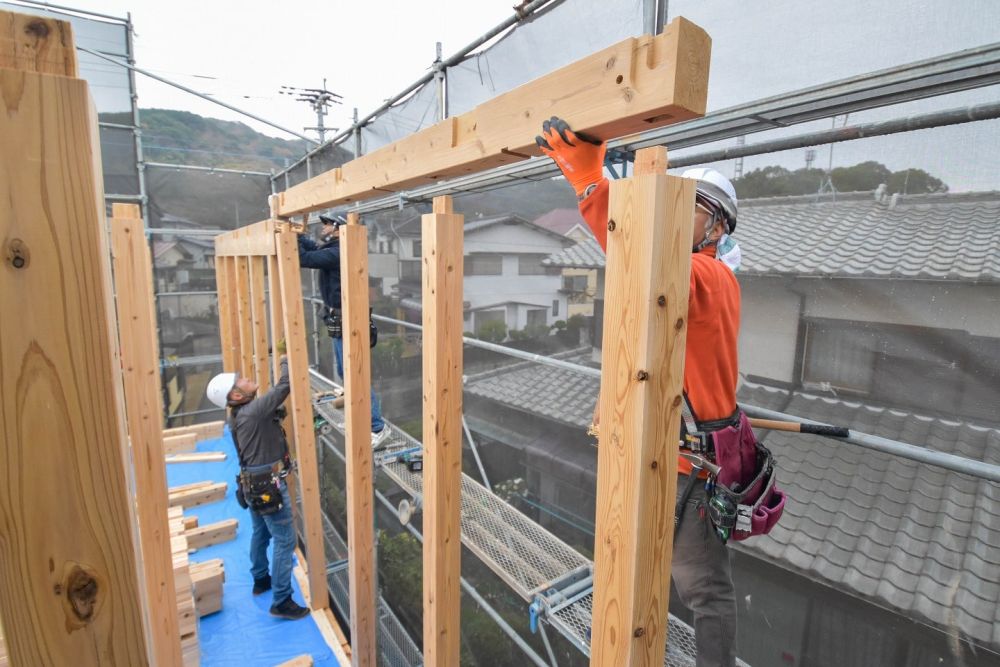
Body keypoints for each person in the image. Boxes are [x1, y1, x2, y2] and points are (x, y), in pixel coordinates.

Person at [537, 117, 742, 666]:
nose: (669, 215)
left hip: (685, 466)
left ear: (716, 228)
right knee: (638, 568)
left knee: (703, 591)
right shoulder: (695, 275)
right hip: (656, 451)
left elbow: (646, 251)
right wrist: (592, 184)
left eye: (687, 206)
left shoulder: (709, 276)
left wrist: (591, 184)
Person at [206, 356, 310, 621]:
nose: (247, 378)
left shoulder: (241, 414)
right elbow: (285, 385)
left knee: (261, 532)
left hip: (254, 484)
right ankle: (281, 600)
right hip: (268, 486)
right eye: (240, 380)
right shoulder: (253, 411)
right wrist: (288, 358)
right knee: (285, 539)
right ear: (237, 394)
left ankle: (261, 578)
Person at [297, 214, 389, 449]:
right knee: (344, 370)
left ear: (339, 229)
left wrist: (292, 238)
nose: (324, 228)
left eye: (328, 225)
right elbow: (312, 247)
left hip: (348, 317)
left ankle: (377, 426)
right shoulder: (334, 248)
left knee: (354, 373)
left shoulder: (338, 252)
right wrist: (297, 234)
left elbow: (304, 257)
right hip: (339, 315)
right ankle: (361, 418)